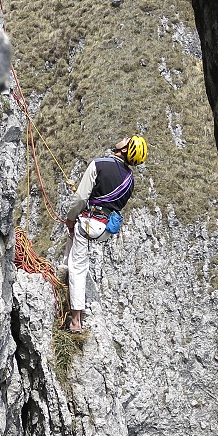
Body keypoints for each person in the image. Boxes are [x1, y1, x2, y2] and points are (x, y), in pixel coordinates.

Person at [62, 135, 148, 333]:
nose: (123, 139)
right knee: (73, 239)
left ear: (125, 149)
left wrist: (70, 218)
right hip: (104, 229)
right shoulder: (130, 180)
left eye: (126, 140)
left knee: (78, 267)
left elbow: (81, 198)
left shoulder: (99, 164)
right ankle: (62, 273)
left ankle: (76, 321)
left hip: (89, 223)